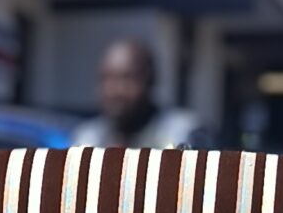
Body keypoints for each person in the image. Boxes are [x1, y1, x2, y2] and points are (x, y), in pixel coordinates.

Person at [72, 37, 209, 150]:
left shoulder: (181, 133)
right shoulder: (87, 139)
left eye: (126, 78)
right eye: (107, 78)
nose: (115, 90)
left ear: (150, 80)